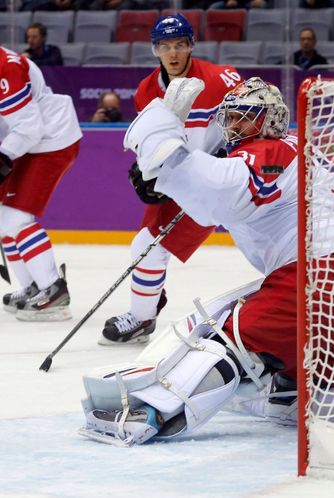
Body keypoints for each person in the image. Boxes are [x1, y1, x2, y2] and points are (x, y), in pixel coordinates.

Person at [79, 77, 334, 445]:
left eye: (246, 117)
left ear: (271, 119)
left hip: (323, 284)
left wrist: (164, 147)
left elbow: (216, 191)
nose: (235, 126)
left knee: (228, 336)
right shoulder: (312, 157)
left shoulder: (270, 151)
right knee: (295, 375)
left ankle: (153, 412)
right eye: (232, 118)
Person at [98, 13, 242, 345]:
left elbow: (253, 118)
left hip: (220, 181)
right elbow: (150, 140)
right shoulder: (146, 90)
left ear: (191, 45)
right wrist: (145, 171)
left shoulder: (222, 79)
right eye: (165, 46)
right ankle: (143, 315)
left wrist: (230, 153)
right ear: (155, 50)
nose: (173, 53)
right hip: (180, 180)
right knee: (146, 245)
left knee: (262, 248)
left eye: (179, 45)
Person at [0, 10, 81, 321]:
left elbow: (30, 127)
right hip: (29, 143)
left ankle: (53, 288)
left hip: (51, 141)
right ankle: (31, 285)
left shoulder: (9, 68)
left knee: (16, 218)